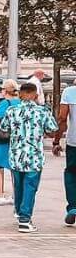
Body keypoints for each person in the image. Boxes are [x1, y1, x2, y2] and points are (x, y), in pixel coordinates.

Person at [0, 81, 58, 234]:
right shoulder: (42, 111)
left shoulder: (11, 111)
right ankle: (25, 220)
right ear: (35, 95)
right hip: (34, 157)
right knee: (30, 187)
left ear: (20, 94)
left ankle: (19, 213)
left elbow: (4, 128)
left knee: (18, 186)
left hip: (16, 156)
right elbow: (53, 129)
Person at [53, 77, 76, 228]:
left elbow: (62, 118)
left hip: (74, 141)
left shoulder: (69, 92)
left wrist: (56, 140)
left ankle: (73, 207)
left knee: (71, 173)